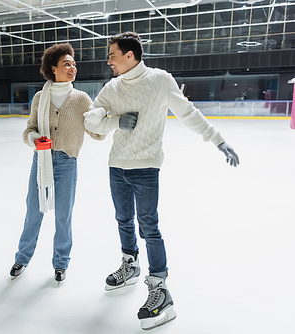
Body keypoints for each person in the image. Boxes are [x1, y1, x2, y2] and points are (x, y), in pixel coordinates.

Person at [83, 32, 240, 330]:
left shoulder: (160, 80)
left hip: (145, 167)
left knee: (149, 226)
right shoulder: (112, 87)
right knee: (122, 220)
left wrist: (218, 140)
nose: (109, 61)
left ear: (130, 55)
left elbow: (188, 113)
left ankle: (160, 288)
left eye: (113, 55)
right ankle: (130, 266)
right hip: (117, 165)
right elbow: (90, 119)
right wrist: (114, 120)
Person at [10, 43, 104, 283]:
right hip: (40, 161)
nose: (73, 68)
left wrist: (102, 119)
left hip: (66, 162)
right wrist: (34, 139)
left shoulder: (82, 99)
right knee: (33, 212)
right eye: (67, 64)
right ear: (53, 68)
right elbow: (29, 130)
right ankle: (22, 257)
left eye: (73, 64)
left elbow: (97, 133)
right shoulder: (41, 98)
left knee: (64, 215)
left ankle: (61, 263)